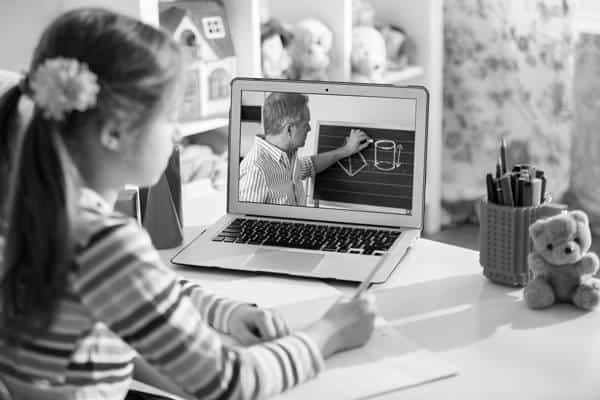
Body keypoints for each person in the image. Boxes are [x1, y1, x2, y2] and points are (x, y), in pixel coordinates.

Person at [0, 8, 377, 400]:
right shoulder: (105, 243)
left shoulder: (33, 213)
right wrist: (329, 332)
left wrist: (226, 313)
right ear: (114, 132)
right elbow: (230, 382)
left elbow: (144, 288)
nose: (178, 133)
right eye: (169, 117)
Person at [239, 92, 371, 205]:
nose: (309, 128)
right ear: (289, 129)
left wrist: (346, 150)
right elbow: (244, 228)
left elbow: (310, 165)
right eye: (305, 123)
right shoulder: (256, 172)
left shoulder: (286, 156)